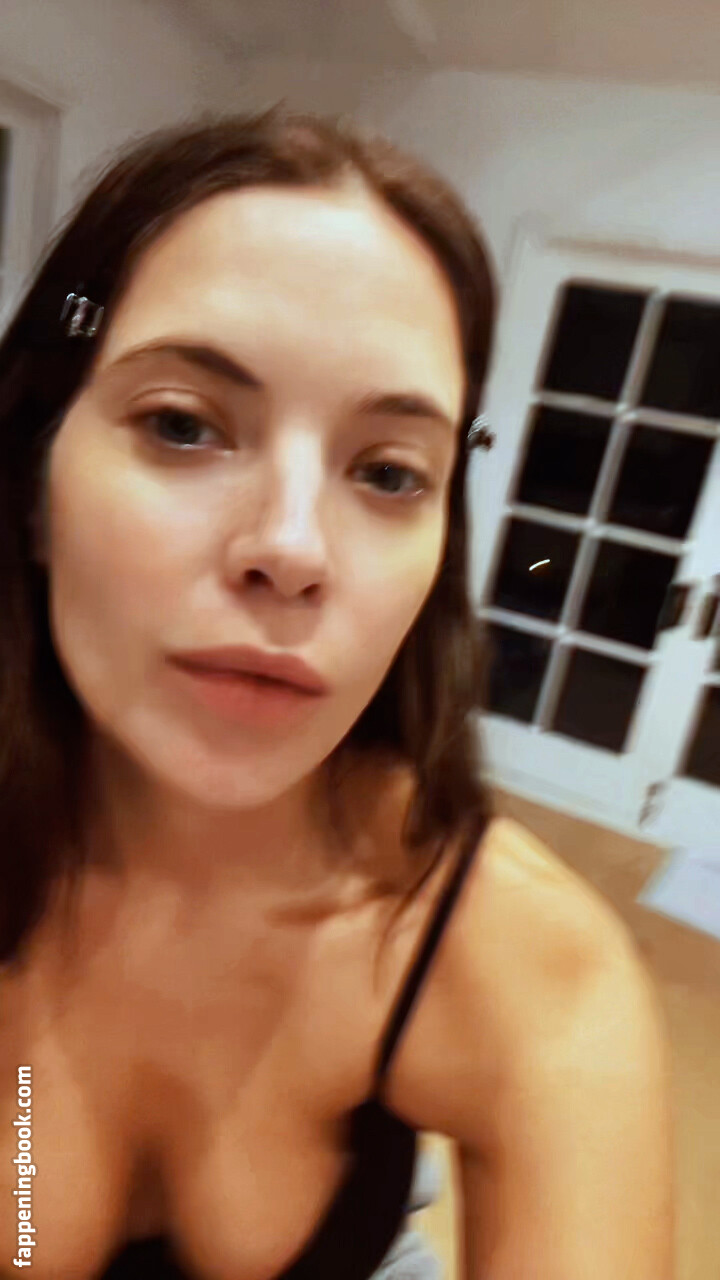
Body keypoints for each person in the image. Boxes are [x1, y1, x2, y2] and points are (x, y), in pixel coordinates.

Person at [0, 105, 674, 1280]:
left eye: (388, 471)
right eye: (183, 423)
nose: (294, 547)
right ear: (34, 486)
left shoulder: (520, 955)